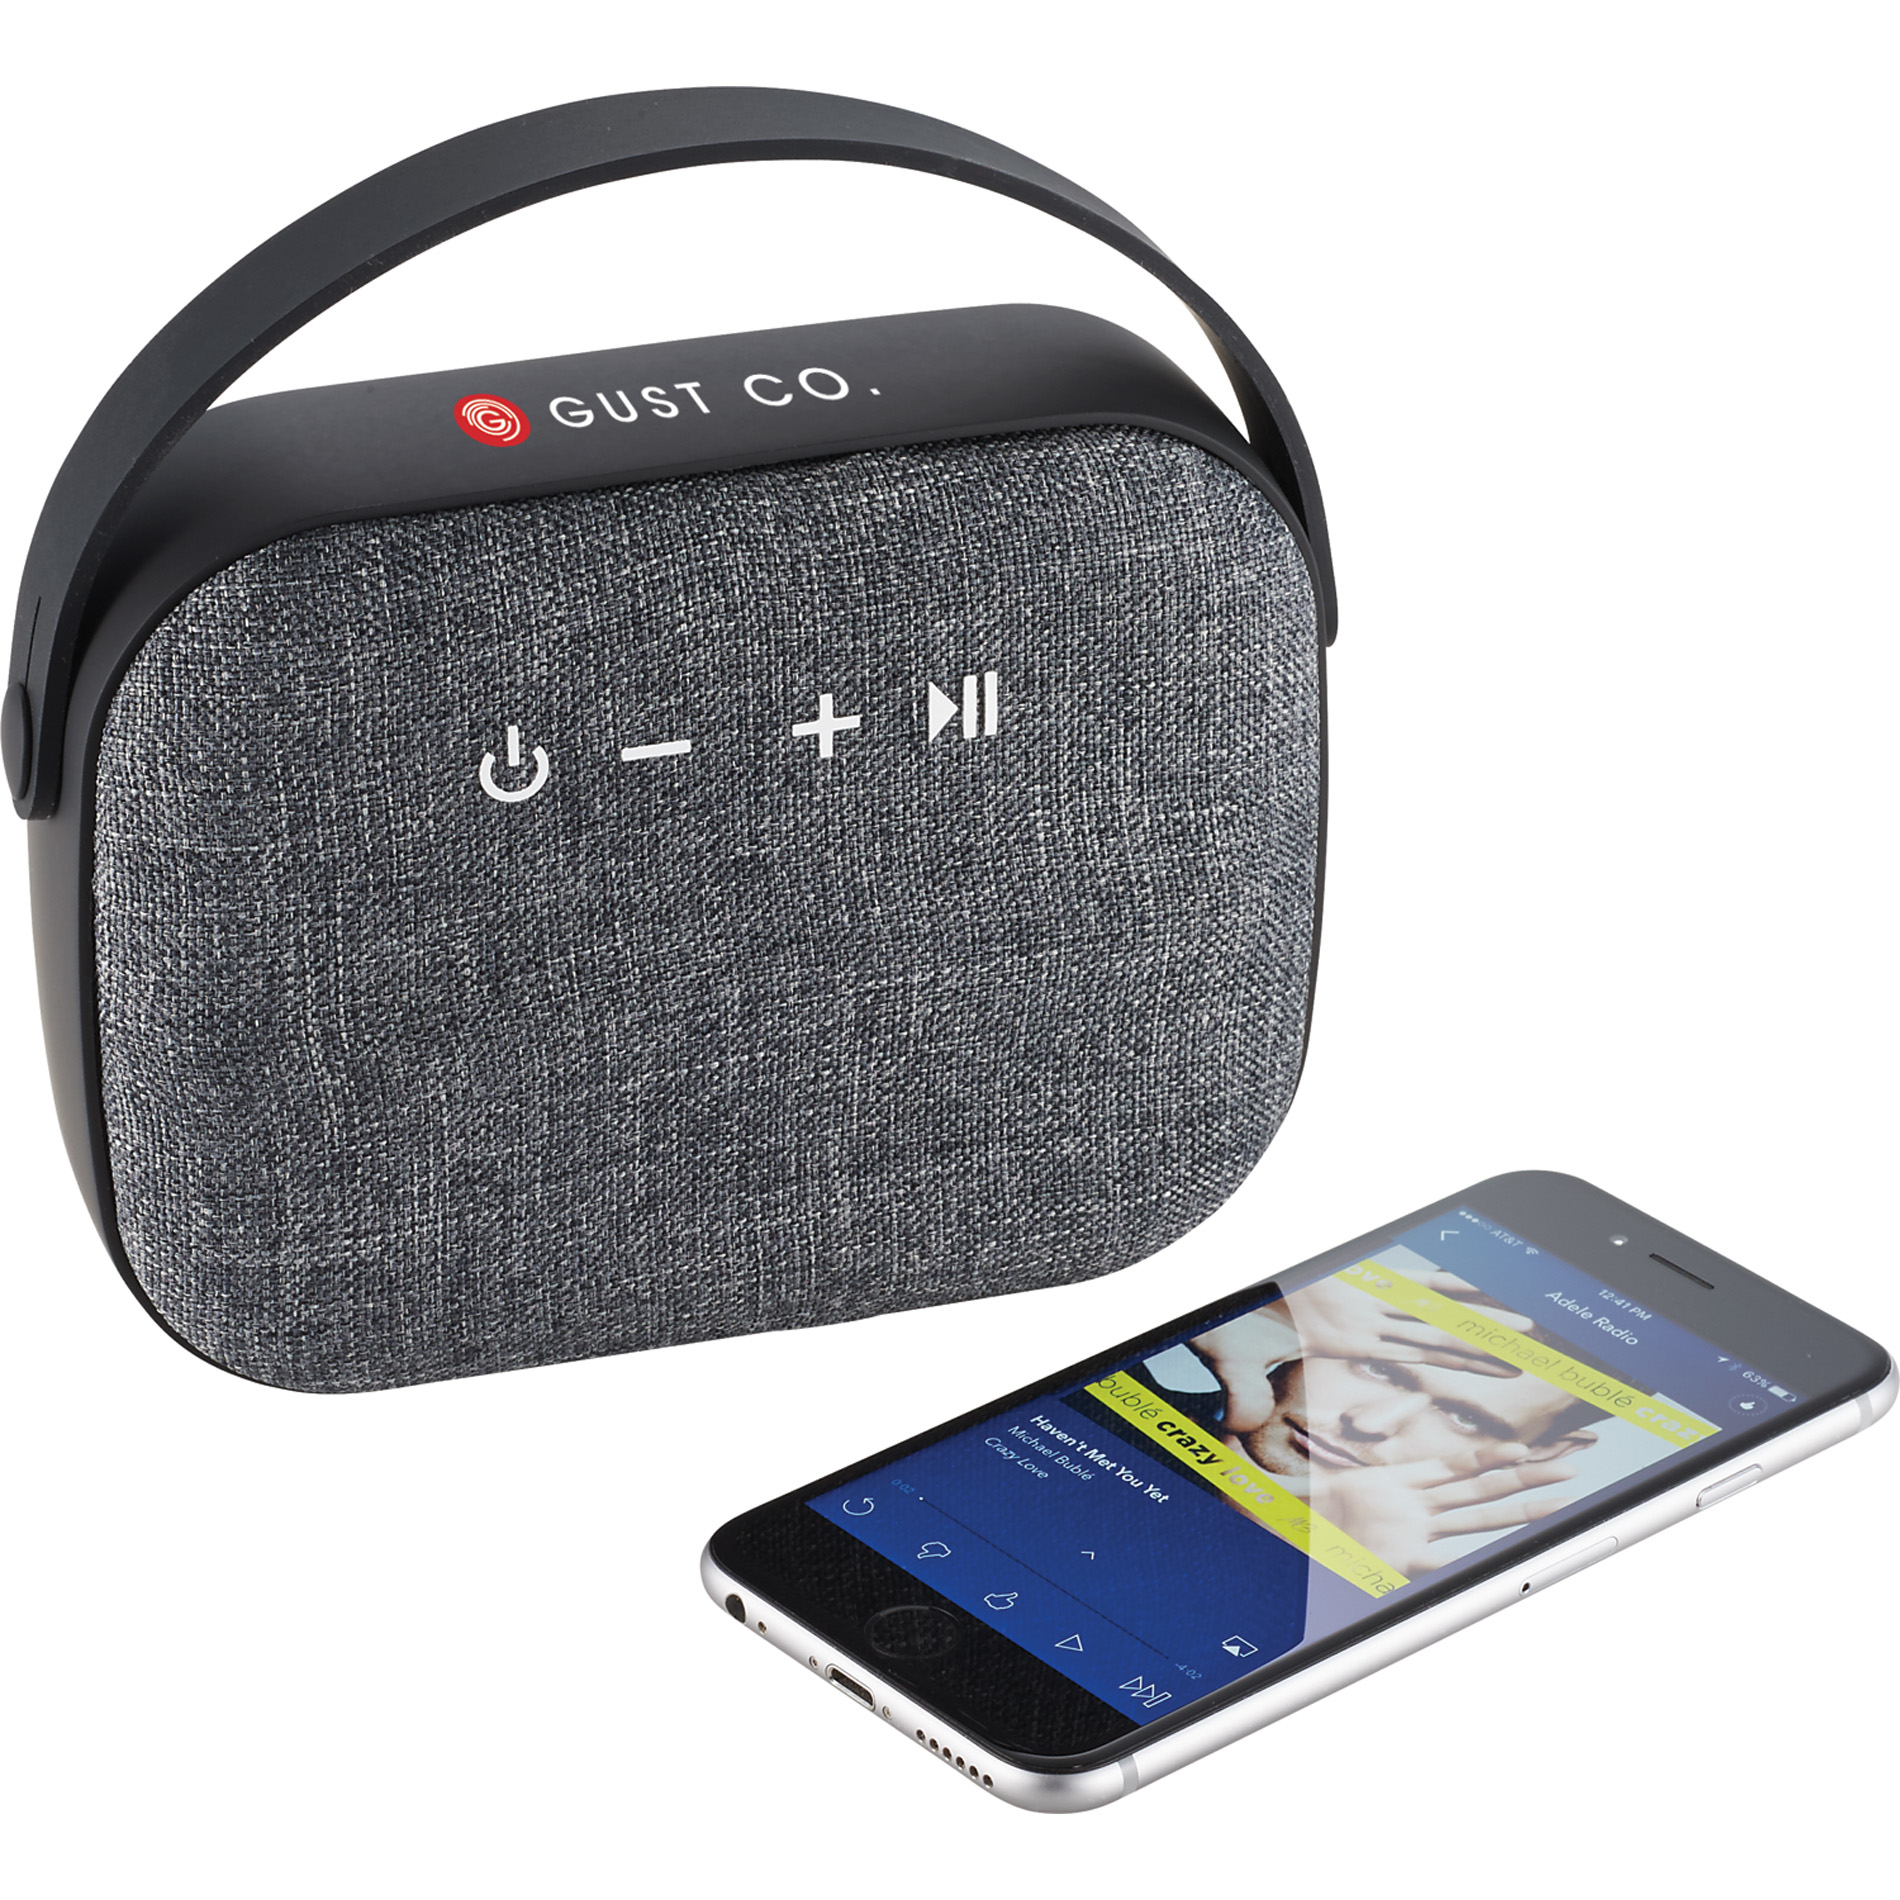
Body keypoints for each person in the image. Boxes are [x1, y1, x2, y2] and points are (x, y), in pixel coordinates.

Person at [1158, 1270, 1612, 1578]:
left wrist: (1295, 1568)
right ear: (1320, 1335)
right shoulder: (1122, 1392)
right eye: (1379, 1369)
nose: (1370, 1422)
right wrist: (1207, 1310)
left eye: (1463, 1418)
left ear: (1546, 1452)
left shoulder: (1371, 1587)